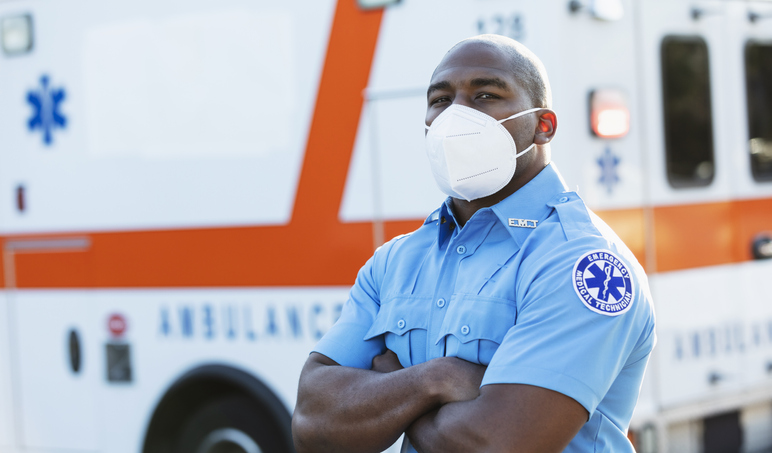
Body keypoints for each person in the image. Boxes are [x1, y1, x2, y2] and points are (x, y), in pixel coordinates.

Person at [292, 34, 656, 453]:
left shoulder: (581, 264)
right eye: (440, 100)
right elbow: (312, 423)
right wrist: (437, 379)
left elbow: (496, 444)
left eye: (485, 95)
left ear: (544, 126)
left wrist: (392, 396)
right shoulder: (394, 261)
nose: (456, 115)